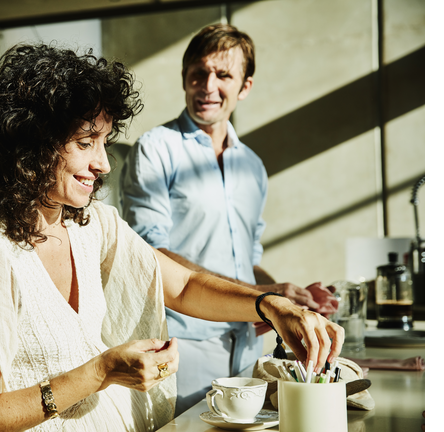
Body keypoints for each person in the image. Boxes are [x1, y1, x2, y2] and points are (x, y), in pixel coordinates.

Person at [0, 43, 343, 432]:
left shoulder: (92, 225)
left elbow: (183, 284)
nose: (102, 163)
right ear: (32, 145)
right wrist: (101, 371)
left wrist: (273, 306)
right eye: (85, 143)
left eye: (104, 142)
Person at [120, 24, 339, 415]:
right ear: (185, 77)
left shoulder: (253, 166)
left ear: (245, 86)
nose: (207, 85)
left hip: (247, 347)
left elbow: (245, 259)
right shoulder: (155, 150)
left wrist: (283, 295)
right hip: (183, 345)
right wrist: (265, 298)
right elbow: (153, 254)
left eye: (223, 75)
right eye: (198, 72)